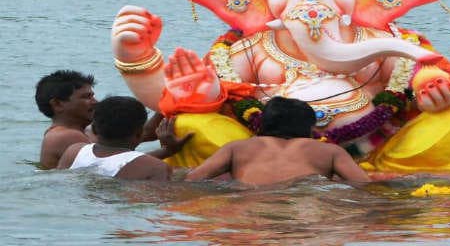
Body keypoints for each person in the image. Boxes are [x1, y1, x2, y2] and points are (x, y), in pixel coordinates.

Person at [185, 97, 370, 185]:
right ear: (310, 127)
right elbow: (364, 185)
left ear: (263, 124)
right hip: (307, 206)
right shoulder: (330, 152)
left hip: (250, 209)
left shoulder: (237, 148)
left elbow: (192, 179)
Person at [57, 96, 184, 180]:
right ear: (140, 133)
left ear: (94, 129)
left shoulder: (73, 151)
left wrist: (167, 151)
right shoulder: (155, 168)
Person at [36, 70, 98, 169]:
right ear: (58, 104)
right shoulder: (68, 136)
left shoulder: (57, 133)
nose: (95, 102)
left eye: (93, 96)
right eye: (86, 97)